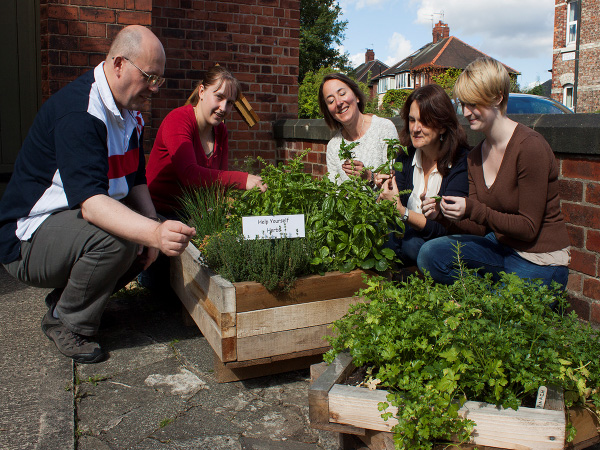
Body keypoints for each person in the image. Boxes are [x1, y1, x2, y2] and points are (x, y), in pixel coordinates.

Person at [0, 25, 196, 364]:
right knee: (118, 239)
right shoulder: (81, 112)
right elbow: (92, 206)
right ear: (119, 63)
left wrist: (153, 225)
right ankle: (68, 323)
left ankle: (68, 300)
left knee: (148, 230)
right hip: (27, 240)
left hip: (68, 229)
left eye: (159, 79)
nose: (154, 88)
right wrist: (150, 233)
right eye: (149, 76)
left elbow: (136, 179)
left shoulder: (130, 114)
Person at [418, 57, 570, 288]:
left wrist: (472, 208)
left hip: (539, 258)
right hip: (500, 247)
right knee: (430, 254)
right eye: (463, 104)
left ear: (498, 97)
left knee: (498, 318)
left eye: (473, 103)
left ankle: (491, 299)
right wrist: (443, 214)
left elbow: (529, 228)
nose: (466, 112)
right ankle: (489, 296)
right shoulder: (475, 156)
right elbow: (480, 227)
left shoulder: (530, 147)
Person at [146, 65, 266, 216]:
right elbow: (189, 175)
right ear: (201, 91)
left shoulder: (220, 131)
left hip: (194, 216)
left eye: (230, 103)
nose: (223, 108)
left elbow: (219, 183)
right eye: (219, 97)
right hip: (157, 213)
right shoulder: (178, 120)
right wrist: (242, 179)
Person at [376, 84, 470, 265]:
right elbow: (394, 207)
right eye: (412, 120)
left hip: (444, 245)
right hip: (409, 237)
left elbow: (444, 230)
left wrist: (401, 211)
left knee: (414, 245)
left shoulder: (460, 162)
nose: (415, 128)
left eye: (424, 121)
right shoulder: (406, 156)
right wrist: (384, 192)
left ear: (442, 126)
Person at [319, 73, 399, 184]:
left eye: (342, 93)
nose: (338, 102)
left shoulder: (384, 128)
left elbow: (394, 186)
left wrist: (369, 176)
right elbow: (335, 193)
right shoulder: (334, 146)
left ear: (356, 96)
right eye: (331, 101)